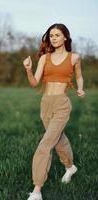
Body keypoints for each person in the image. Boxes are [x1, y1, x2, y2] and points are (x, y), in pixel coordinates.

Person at [23, 23, 85, 200]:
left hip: (62, 104)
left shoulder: (74, 58)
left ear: (65, 37)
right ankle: (70, 166)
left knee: (45, 144)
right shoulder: (45, 58)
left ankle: (36, 190)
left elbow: (79, 76)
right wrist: (28, 69)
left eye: (57, 35)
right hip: (46, 104)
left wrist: (80, 88)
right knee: (58, 139)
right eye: (51, 35)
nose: (54, 38)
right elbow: (35, 82)